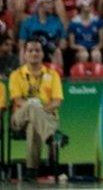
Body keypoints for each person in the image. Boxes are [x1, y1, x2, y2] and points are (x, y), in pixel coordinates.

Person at [9, 38, 64, 179]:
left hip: (45, 118)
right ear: (25, 54)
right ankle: (52, 136)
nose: (34, 53)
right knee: (32, 106)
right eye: (30, 50)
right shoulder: (16, 75)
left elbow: (57, 102)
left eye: (37, 50)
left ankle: (31, 170)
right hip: (19, 119)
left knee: (34, 124)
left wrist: (40, 110)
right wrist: (35, 107)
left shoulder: (53, 75)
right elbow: (17, 100)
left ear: (42, 54)